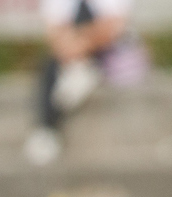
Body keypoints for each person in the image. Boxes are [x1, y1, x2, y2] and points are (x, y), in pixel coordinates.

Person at [24, 0, 136, 166]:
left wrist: (80, 43)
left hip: (106, 55)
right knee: (49, 65)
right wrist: (72, 47)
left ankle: (47, 127)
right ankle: (80, 73)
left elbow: (113, 28)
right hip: (68, 58)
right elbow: (54, 34)